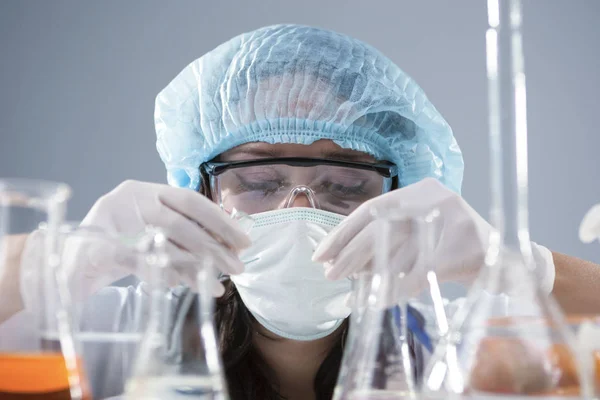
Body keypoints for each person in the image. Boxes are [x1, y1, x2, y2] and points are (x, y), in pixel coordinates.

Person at [1, 24, 599, 400]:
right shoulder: (119, 337)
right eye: (259, 180)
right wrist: (55, 262)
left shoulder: (452, 352)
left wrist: (514, 265)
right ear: (201, 194)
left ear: (400, 198)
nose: (298, 210)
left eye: (343, 184)